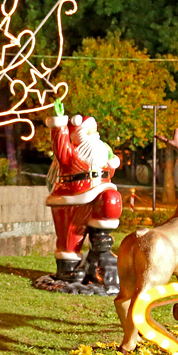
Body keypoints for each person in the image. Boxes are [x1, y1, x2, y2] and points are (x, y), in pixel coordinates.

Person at [45, 98, 122, 287]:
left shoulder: (102, 155)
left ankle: (101, 252)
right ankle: (67, 269)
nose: (95, 134)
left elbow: (109, 167)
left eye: (96, 131)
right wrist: (60, 123)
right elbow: (60, 145)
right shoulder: (72, 154)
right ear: (79, 134)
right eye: (90, 131)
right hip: (72, 198)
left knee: (111, 203)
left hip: (100, 191)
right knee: (71, 235)